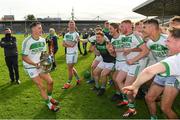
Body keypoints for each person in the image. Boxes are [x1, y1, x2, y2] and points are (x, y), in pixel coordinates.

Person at [123, 26, 180, 119]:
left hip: (170, 73)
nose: (166, 43)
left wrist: (134, 86)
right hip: (162, 71)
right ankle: (153, 117)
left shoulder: (176, 60)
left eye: (168, 41)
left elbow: (149, 71)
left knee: (165, 108)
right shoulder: (150, 43)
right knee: (149, 98)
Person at [22, 22, 60, 112]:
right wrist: (35, 64)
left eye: (41, 28)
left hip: (40, 64)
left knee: (50, 82)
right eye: (39, 28)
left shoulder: (43, 40)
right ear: (33, 29)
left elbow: (43, 54)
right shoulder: (27, 41)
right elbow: (24, 57)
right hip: (30, 66)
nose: (41, 30)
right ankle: (49, 105)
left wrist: (47, 59)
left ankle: (50, 98)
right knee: (41, 87)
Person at [115, 20, 149, 117]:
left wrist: (133, 59)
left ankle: (132, 109)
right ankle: (126, 100)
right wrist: (115, 49)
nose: (120, 28)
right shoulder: (125, 37)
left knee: (128, 88)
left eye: (122, 26)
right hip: (128, 63)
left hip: (136, 64)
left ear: (128, 27)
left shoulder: (135, 36)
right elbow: (130, 48)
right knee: (118, 79)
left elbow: (146, 50)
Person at [93, 31, 115, 96]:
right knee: (95, 72)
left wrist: (110, 49)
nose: (97, 38)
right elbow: (98, 54)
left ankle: (103, 88)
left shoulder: (107, 43)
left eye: (99, 37)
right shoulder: (97, 44)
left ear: (103, 37)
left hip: (111, 62)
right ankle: (97, 86)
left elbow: (113, 54)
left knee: (103, 74)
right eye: (96, 37)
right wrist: (94, 48)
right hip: (104, 61)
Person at [62, 20, 80, 89]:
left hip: (73, 53)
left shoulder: (76, 34)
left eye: (73, 24)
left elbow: (73, 44)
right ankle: (78, 79)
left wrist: (67, 43)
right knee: (71, 68)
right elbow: (63, 44)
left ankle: (68, 83)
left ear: (74, 26)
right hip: (68, 53)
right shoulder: (66, 34)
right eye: (70, 24)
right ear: (68, 25)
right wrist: (68, 44)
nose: (71, 25)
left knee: (69, 68)